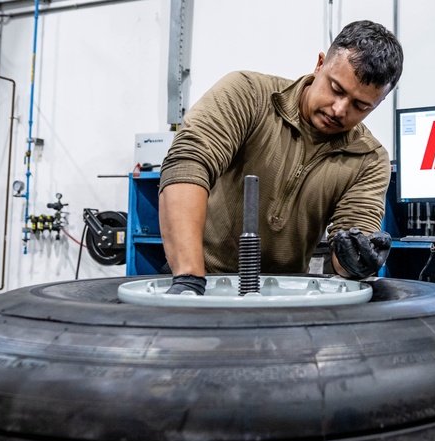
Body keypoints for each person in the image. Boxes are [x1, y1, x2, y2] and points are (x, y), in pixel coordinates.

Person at [158, 20, 403, 295]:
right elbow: (187, 165)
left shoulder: (369, 159)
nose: (339, 110)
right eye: (336, 89)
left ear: (377, 104)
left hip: (283, 295)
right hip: (199, 278)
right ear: (320, 64)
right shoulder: (248, 95)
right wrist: (189, 280)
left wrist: (354, 261)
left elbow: (349, 241)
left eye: (360, 106)